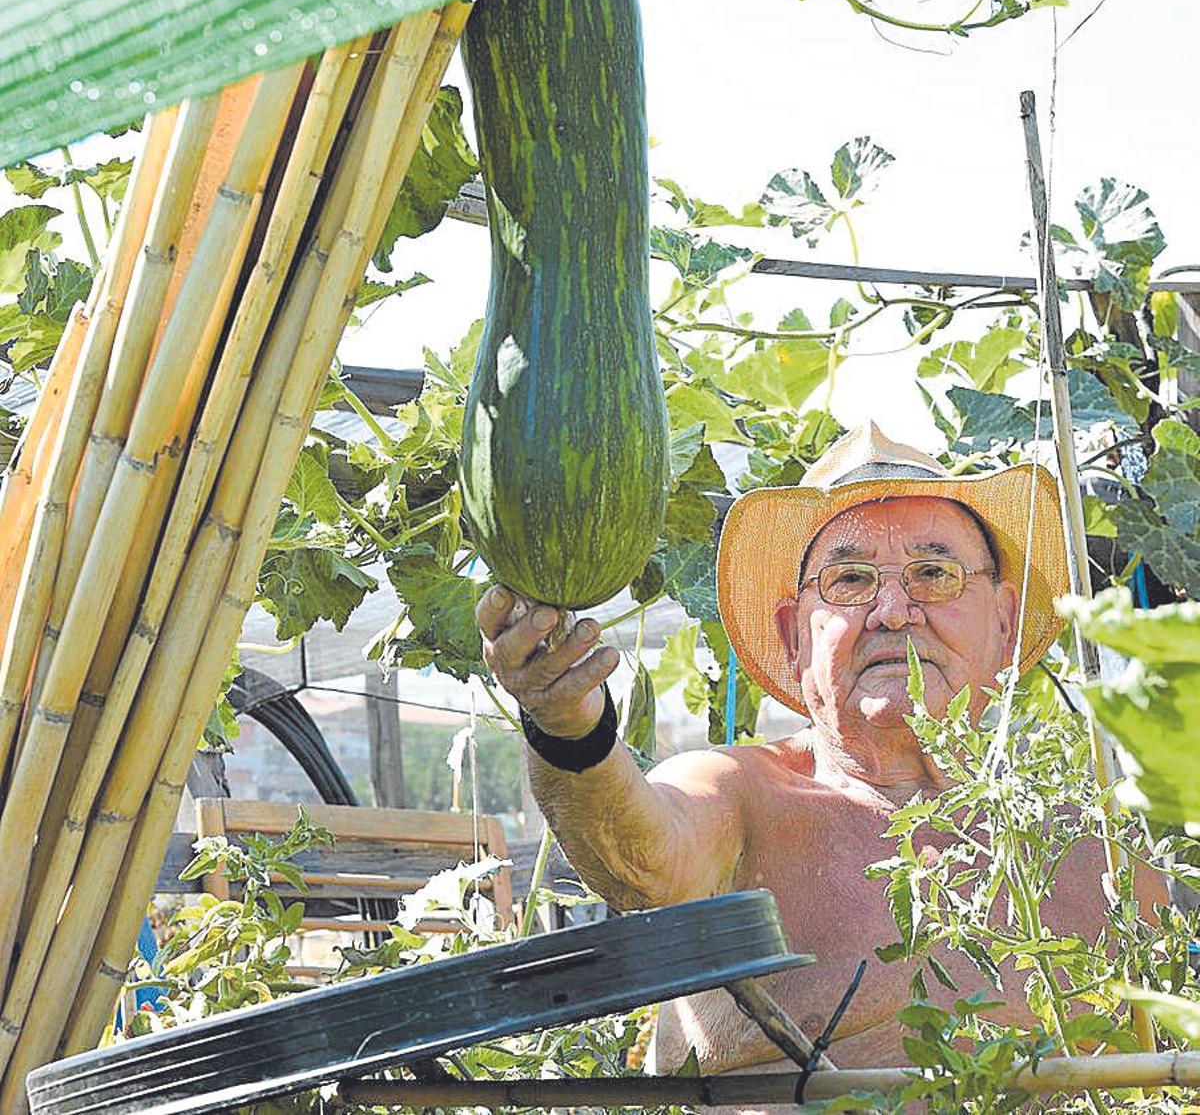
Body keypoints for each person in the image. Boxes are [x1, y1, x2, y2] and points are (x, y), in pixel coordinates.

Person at [476, 423, 1150, 1089]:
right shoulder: (739, 794)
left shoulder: (1105, 858)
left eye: (935, 573)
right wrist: (568, 723)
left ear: (1005, 621)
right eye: (851, 579)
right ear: (791, 635)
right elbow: (639, 854)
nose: (893, 609)